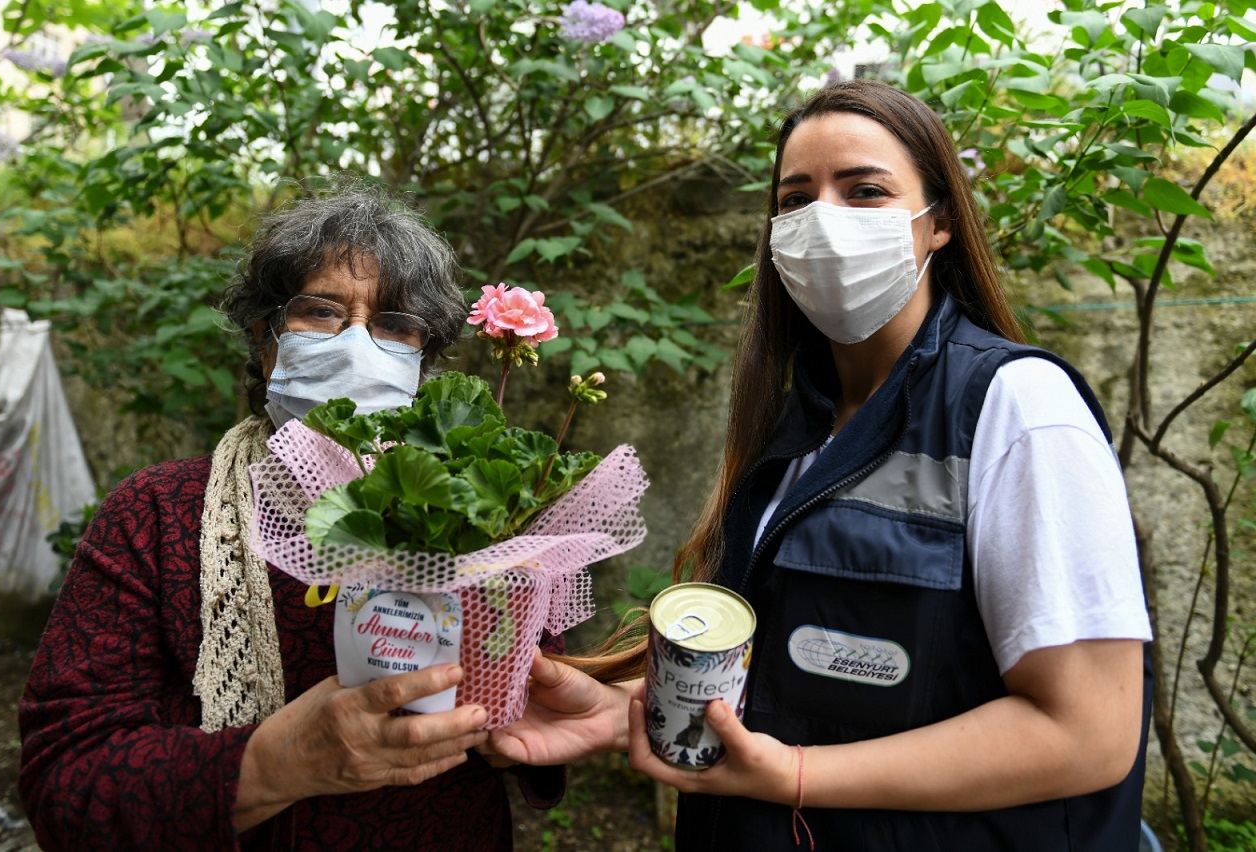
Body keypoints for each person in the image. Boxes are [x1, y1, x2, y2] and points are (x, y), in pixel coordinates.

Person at [489, 79, 1154, 850]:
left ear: (937, 222)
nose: (823, 221)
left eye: (865, 190)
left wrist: (794, 776)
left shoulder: (1016, 410)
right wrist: (625, 708)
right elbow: (793, 674)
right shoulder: (789, 430)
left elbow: (1087, 733)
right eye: (795, 199)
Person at [18, 183, 564, 850]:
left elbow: (537, 700)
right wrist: (278, 763)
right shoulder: (156, 516)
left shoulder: (479, 511)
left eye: (394, 325)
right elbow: (64, 780)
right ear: (265, 337)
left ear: (423, 363)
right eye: (322, 311)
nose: (358, 345)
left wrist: (522, 729)